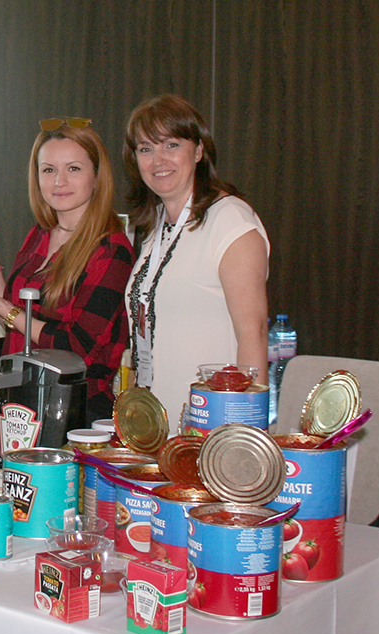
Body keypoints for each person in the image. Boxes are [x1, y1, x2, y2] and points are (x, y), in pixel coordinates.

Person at [0, 118, 134, 423]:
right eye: (48, 170)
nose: (59, 181)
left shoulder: (111, 250)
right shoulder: (40, 234)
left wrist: (5, 308)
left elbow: (77, 349)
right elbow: (17, 325)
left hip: (74, 414)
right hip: (20, 401)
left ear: (97, 176)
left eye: (73, 168)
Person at [122, 94, 269, 428]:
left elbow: (254, 333)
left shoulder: (230, 220)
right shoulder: (158, 227)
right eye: (145, 149)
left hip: (214, 426)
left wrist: (243, 436)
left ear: (199, 150)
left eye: (171, 145)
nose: (158, 160)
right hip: (157, 426)